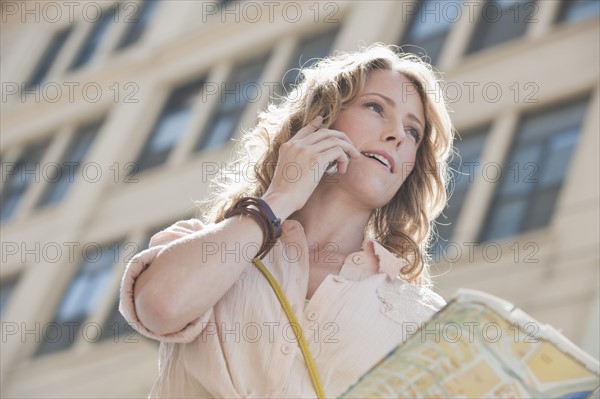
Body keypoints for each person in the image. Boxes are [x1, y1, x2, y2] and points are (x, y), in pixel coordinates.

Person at [120, 43, 454, 398]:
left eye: (413, 132)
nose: (398, 135)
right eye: (375, 107)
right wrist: (279, 199)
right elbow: (161, 307)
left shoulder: (426, 320)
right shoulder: (208, 245)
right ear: (321, 118)